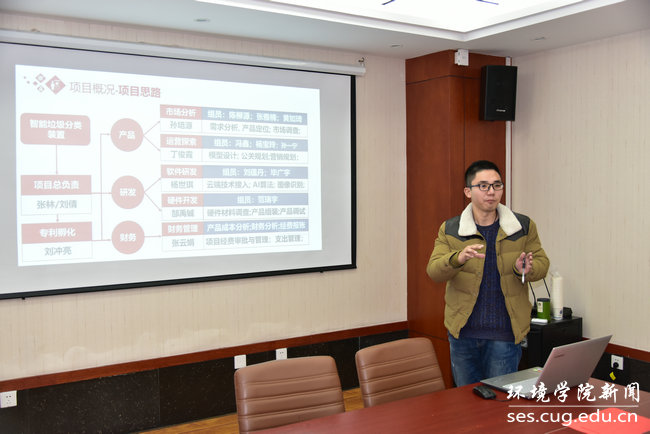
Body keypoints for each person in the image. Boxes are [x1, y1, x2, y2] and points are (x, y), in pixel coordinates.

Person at [426, 160, 549, 387]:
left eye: (496, 185)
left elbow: (542, 263)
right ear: (468, 191)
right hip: (463, 333)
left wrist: (526, 269)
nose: (491, 192)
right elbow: (434, 271)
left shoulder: (522, 226)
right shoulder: (451, 229)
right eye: (483, 186)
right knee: (465, 401)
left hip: (505, 333)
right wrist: (457, 259)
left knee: (499, 402)